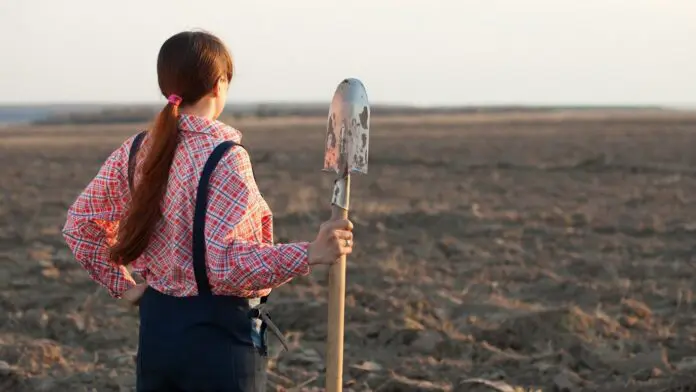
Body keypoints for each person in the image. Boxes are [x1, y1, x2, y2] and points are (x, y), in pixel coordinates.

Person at [61, 30, 354, 392]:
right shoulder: (225, 157)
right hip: (217, 346)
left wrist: (124, 287)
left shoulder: (136, 150)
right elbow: (226, 265)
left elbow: (80, 225)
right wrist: (310, 253)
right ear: (219, 84)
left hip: (156, 337)